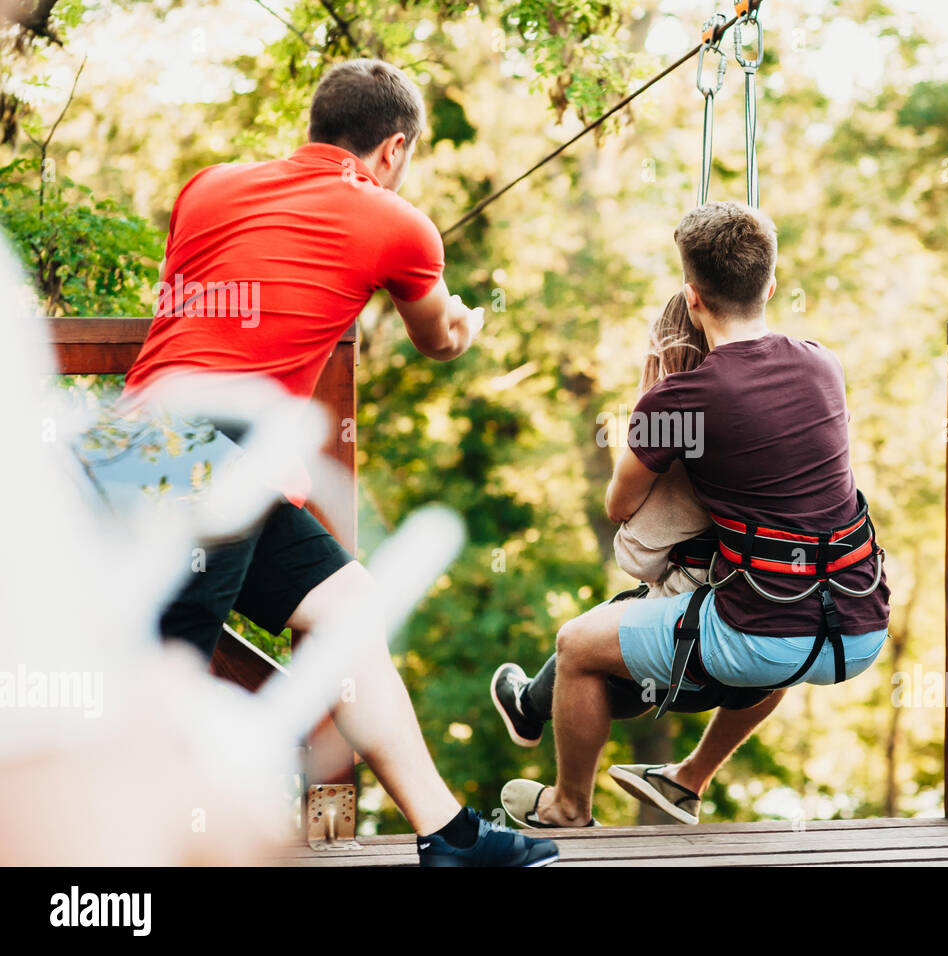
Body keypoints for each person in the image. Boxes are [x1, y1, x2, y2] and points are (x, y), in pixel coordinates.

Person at [121, 58, 556, 867]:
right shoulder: (396, 222)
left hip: (145, 446)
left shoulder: (208, 186)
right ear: (393, 150)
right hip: (211, 459)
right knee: (163, 678)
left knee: (348, 609)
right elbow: (440, 340)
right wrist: (465, 319)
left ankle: (449, 836)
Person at [496, 201, 891, 829]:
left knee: (576, 645)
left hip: (762, 634)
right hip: (859, 627)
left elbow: (619, 505)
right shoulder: (824, 364)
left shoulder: (678, 399)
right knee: (785, 606)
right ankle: (687, 780)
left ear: (693, 297)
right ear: (771, 284)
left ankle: (569, 805)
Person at [490, 293, 787, 825]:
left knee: (585, 647)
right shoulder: (785, 425)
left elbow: (636, 551)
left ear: (663, 356)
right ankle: (689, 778)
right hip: (772, 644)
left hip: (689, 658)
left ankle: (563, 791)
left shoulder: (675, 428)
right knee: (787, 631)